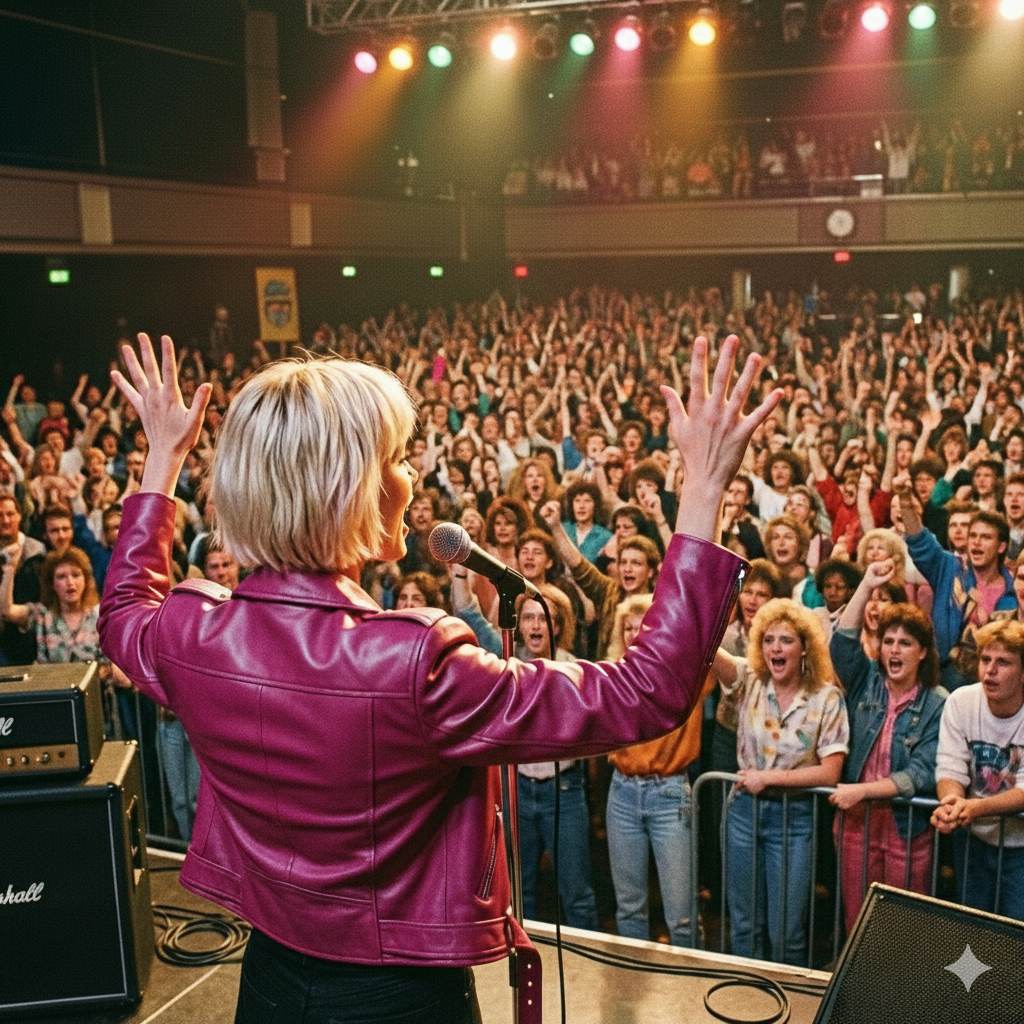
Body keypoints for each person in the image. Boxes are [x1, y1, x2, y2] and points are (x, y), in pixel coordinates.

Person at [99, 332, 780, 1023]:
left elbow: (123, 610)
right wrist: (704, 488)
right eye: (398, 459)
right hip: (400, 997)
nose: (412, 477)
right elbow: (648, 690)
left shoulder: (191, 635)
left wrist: (163, 458)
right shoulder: (414, 664)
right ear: (351, 488)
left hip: (270, 980)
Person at [713, 599, 849, 965]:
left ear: (804, 647)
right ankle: (746, 995)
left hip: (794, 819)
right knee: (744, 927)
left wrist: (768, 778)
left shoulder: (826, 697)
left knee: (787, 933)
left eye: (786, 640)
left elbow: (830, 772)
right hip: (743, 813)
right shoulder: (750, 681)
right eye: (769, 639)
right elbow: (707, 650)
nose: (776, 647)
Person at [829, 559, 945, 934]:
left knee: (902, 929)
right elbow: (842, 642)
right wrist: (866, 584)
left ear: (923, 652)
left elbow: (921, 772)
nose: (894, 650)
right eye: (888, 641)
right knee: (858, 923)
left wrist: (863, 791)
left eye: (905, 643)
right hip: (856, 825)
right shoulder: (866, 681)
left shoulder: (938, 703)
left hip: (906, 829)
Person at [605, 594, 711, 948]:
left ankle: (688, 980)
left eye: (643, 627)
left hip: (669, 792)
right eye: (628, 628)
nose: (635, 634)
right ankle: (634, 976)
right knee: (629, 908)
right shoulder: (612, 675)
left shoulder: (686, 673)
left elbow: (709, 635)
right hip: (622, 791)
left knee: (682, 915)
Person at [932, 619, 1024, 919]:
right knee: (972, 930)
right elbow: (951, 766)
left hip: (1020, 846)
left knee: (1015, 933)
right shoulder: (961, 701)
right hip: (973, 840)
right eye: (985, 659)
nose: (990, 670)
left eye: (1003, 662)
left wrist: (972, 808)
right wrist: (951, 803)